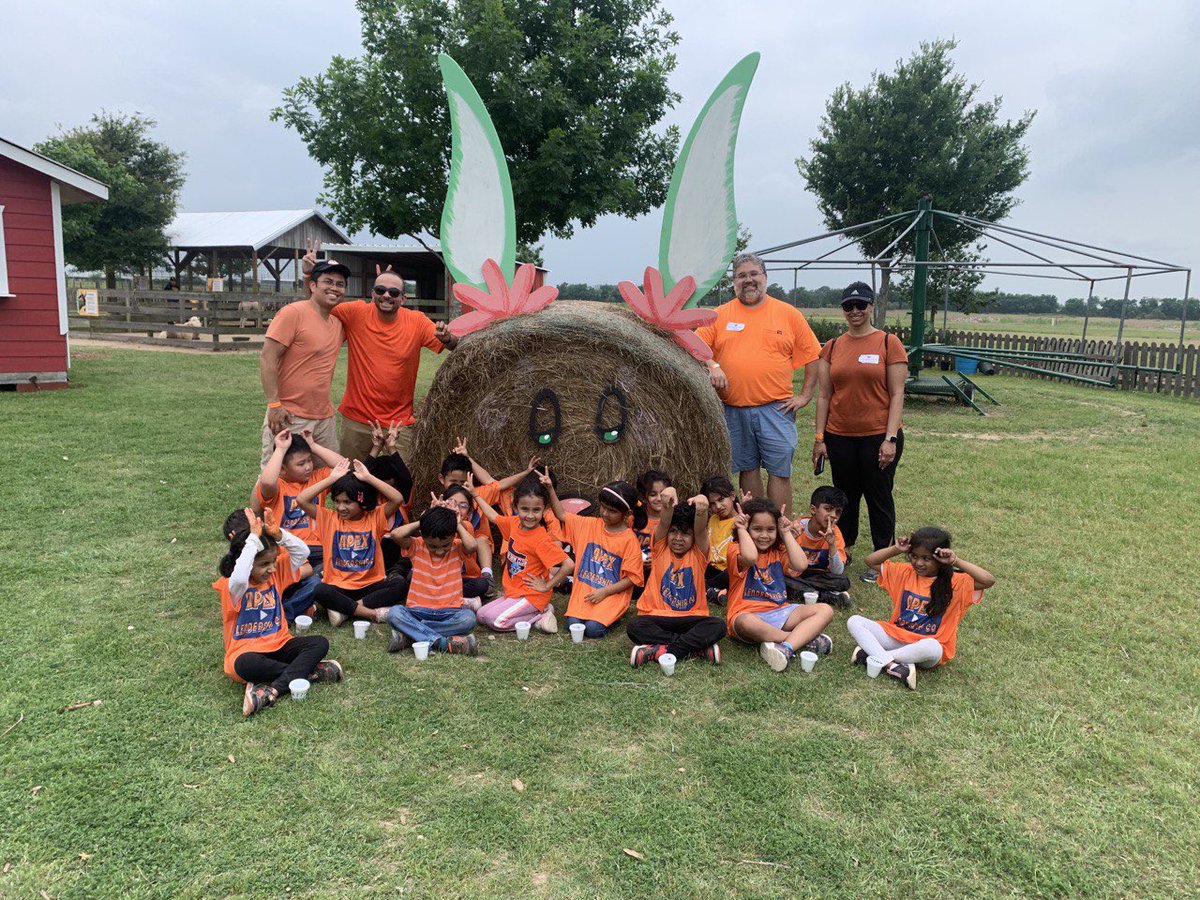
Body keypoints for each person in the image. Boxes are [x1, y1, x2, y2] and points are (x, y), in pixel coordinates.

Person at [695, 253, 822, 511]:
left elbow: (813, 355)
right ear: (734, 282)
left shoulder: (787, 314)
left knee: (779, 470)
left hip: (776, 408)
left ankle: (781, 528)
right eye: (742, 275)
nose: (748, 280)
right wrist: (713, 365)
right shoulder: (719, 315)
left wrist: (805, 395)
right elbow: (695, 347)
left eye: (754, 274)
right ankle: (755, 527)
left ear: (765, 278)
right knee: (747, 467)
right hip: (733, 409)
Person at [812, 282, 908, 583]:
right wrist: (819, 438)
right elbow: (825, 396)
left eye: (861, 305)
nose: (855, 311)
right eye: (848, 306)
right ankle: (845, 546)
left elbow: (897, 393)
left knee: (878, 495)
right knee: (845, 497)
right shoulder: (833, 346)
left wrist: (890, 438)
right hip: (840, 435)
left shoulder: (888, 342)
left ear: (871, 307)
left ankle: (882, 558)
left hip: (878, 435)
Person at [214, 507, 343, 717]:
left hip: (280, 643)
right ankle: (310, 673)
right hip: (247, 651)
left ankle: (271, 689)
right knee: (244, 665)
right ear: (246, 563)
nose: (272, 568)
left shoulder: (276, 576)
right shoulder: (233, 587)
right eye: (264, 564)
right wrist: (253, 539)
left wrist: (279, 535)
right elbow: (239, 576)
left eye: (273, 562)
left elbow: (303, 552)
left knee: (320, 642)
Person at [329, 265, 459, 460]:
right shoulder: (355, 312)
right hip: (358, 419)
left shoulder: (417, 321)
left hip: (399, 423)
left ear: (403, 298)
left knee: (402, 482)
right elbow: (318, 306)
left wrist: (447, 338)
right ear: (372, 293)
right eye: (380, 290)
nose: (386, 296)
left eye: (394, 292)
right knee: (351, 479)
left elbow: (453, 346)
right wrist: (309, 276)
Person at [848, 527, 996, 689]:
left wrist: (956, 561)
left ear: (940, 559)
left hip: (925, 649)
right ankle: (894, 665)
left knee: (933, 647)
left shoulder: (956, 582)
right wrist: (896, 548)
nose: (918, 563)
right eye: (914, 556)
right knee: (855, 621)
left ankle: (874, 656)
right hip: (897, 637)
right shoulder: (905, 572)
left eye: (926, 558)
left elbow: (988, 580)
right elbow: (871, 561)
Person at [725, 498, 834, 672]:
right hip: (748, 614)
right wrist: (741, 530)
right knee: (745, 622)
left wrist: (786, 533)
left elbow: (801, 565)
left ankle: (786, 647)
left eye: (770, 529)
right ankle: (799, 640)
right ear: (747, 529)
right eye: (757, 529)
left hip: (779, 611)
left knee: (825, 610)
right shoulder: (735, 549)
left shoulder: (778, 551)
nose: (764, 535)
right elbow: (751, 557)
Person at [259, 259, 349, 464]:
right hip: (290, 416)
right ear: (313, 285)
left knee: (327, 477)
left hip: (324, 418)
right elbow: (267, 357)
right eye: (328, 281)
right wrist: (274, 404)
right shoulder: (293, 313)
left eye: (340, 284)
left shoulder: (337, 323)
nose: (334, 288)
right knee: (275, 479)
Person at [295, 459, 407, 626]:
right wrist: (332, 479)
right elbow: (302, 499)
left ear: (362, 501)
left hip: (370, 584)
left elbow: (397, 499)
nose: (340, 508)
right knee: (319, 590)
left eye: (347, 502)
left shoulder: (375, 517)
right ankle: (370, 613)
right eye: (337, 501)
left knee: (399, 585)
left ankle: (346, 611)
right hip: (338, 585)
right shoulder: (328, 518)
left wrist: (369, 478)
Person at [627, 488, 725, 667]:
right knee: (634, 625)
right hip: (656, 615)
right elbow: (664, 522)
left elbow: (701, 528)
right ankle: (695, 648)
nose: (678, 538)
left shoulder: (699, 553)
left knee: (718, 625)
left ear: (694, 538)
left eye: (686, 533)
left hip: (690, 617)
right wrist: (670, 492)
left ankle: (659, 650)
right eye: (674, 532)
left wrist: (702, 505)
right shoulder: (660, 548)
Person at [469, 477, 574, 634]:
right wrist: (475, 495)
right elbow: (493, 516)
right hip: (514, 592)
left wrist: (547, 586)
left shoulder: (540, 539)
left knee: (496, 621)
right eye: (525, 509)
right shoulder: (514, 523)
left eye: (536, 510)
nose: (530, 516)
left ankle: (539, 616)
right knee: (481, 616)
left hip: (532, 595)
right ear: (515, 506)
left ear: (544, 509)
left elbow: (569, 564)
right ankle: (540, 611)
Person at [543, 477, 644, 639]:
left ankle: (614, 617)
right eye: (603, 508)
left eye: (612, 511)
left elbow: (632, 578)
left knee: (592, 630)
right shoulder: (589, 525)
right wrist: (550, 489)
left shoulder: (629, 540)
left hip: (610, 595)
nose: (604, 513)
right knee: (572, 625)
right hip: (585, 593)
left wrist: (604, 591)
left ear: (627, 513)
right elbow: (561, 514)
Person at [384, 505, 481, 656]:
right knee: (394, 613)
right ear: (423, 536)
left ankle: (411, 635)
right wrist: (422, 520)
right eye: (433, 546)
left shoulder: (457, 548)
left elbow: (473, 545)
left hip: (449, 613)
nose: (440, 551)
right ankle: (440, 642)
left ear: (453, 536)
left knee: (468, 619)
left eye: (445, 545)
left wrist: (457, 525)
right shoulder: (417, 546)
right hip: (417, 611)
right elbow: (396, 534)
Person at [785, 485, 853, 607]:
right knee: (781, 580)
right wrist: (790, 539)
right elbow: (781, 566)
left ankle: (809, 592)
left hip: (818, 576)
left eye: (838, 512)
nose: (833, 515)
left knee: (843, 581)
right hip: (794, 575)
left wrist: (832, 545)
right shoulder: (796, 528)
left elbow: (837, 572)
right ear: (813, 509)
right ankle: (826, 596)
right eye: (828, 509)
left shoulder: (835, 533)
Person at [439, 484, 495, 603]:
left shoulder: (467, 525)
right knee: (411, 578)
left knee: (481, 585)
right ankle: (461, 600)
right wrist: (433, 514)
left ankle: (442, 596)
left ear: (469, 512)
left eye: (463, 506)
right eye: (451, 503)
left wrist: (457, 523)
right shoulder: (435, 524)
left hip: (463, 578)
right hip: (439, 577)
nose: (456, 509)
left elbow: (471, 546)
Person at [700, 475, 737, 604]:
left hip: (728, 570)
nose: (718, 506)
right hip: (711, 568)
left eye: (721, 499)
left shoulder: (739, 521)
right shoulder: (713, 519)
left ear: (732, 496)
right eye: (713, 504)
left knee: (730, 574)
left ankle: (707, 590)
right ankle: (712, 591)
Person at [634, 469, 673, 567]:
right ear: (643, 497)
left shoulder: (674, 520)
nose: (659, 498)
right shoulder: (633, 519)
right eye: (653, 494)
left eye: (663, 494)